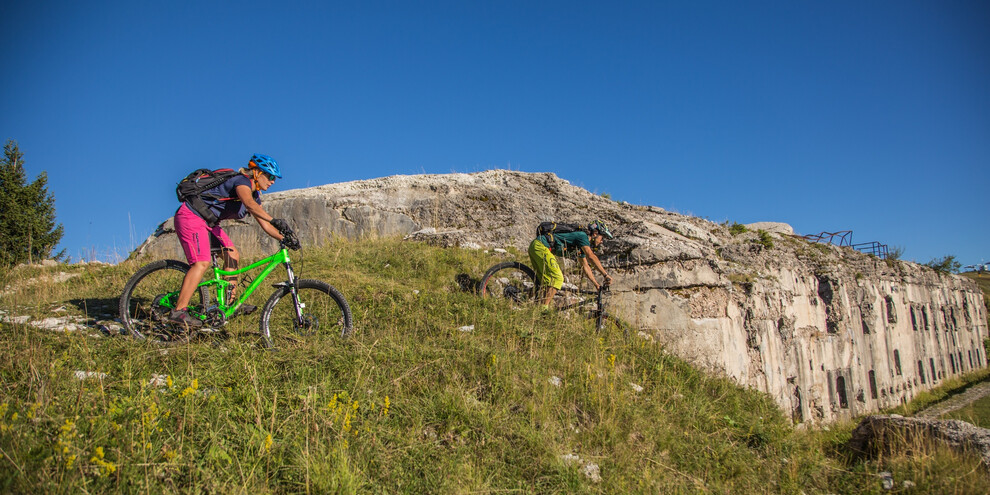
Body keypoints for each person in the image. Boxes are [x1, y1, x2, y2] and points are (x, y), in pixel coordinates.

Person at [169, 154, 298, 328]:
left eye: (274, 178)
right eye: (270, 176)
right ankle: (179, 311)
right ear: (257, 172)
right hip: (191, 217)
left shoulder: (255, 195)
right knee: (201, 263)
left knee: (232, 255)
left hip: (209, 223)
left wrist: (285, 238)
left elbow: (265, 225)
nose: (273, 181)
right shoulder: (241, 181)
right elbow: (249, 205)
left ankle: (228, 304)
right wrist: (275, 219)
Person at [528, 220, 614, 308]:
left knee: (542, 283)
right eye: (602, 237)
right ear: (595, 233)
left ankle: (523, 300)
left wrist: (596, 284)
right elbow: (591, 256)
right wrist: (605, 275)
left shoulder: (581, 246)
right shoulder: (582, 236)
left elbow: (585, 266)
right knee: (557, 278)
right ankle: (542, 310)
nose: (602, 241)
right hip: (541, 247)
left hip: (536, 246)